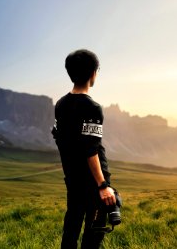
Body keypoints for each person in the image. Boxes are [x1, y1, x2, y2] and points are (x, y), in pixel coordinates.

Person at [52, 49, 116, 249]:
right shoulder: (92, 108)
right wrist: (103, 185)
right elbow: (91, 150)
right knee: (93, 234)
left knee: (71, 228)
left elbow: (62, 140)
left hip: (72, 178)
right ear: (93, 73)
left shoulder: (60, 104)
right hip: (92, 181)